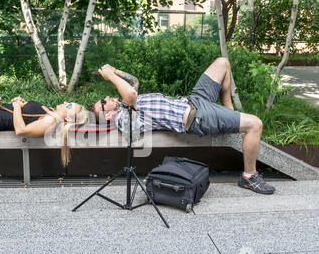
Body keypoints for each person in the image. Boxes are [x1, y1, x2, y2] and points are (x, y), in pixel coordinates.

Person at [91, 58, 275, 194]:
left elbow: (134, 82)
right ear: (107, 115)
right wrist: (110, 77)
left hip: (194, 100)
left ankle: (230, 114)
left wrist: (114, 71)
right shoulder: (124, 117)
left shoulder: (125, 105)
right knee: (255, 124)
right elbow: (131, 92)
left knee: (222, 63)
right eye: (103, 102)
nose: (107, 98)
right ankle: (249, 177)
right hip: (198, 117)